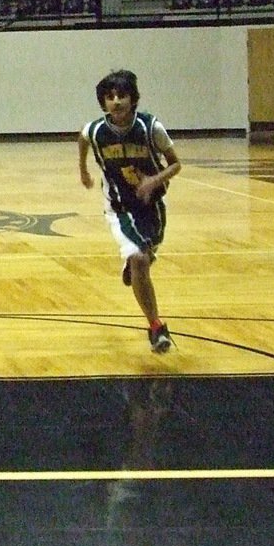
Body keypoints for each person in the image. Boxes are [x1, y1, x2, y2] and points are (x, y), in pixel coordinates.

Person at [78, 69, 181, 354]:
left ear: (133, 99)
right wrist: (83, 168)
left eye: (122, 96)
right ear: (103, 103)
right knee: (139, 258)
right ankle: (156, 327)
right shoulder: (97, 130)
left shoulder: (151, 128)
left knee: (145, 255)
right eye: (110, 97)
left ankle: (134, 267)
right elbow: (83, 138)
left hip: (152, 204)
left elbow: (175, 164)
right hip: (119, 207)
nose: (117, 102)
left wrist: (153, 180)